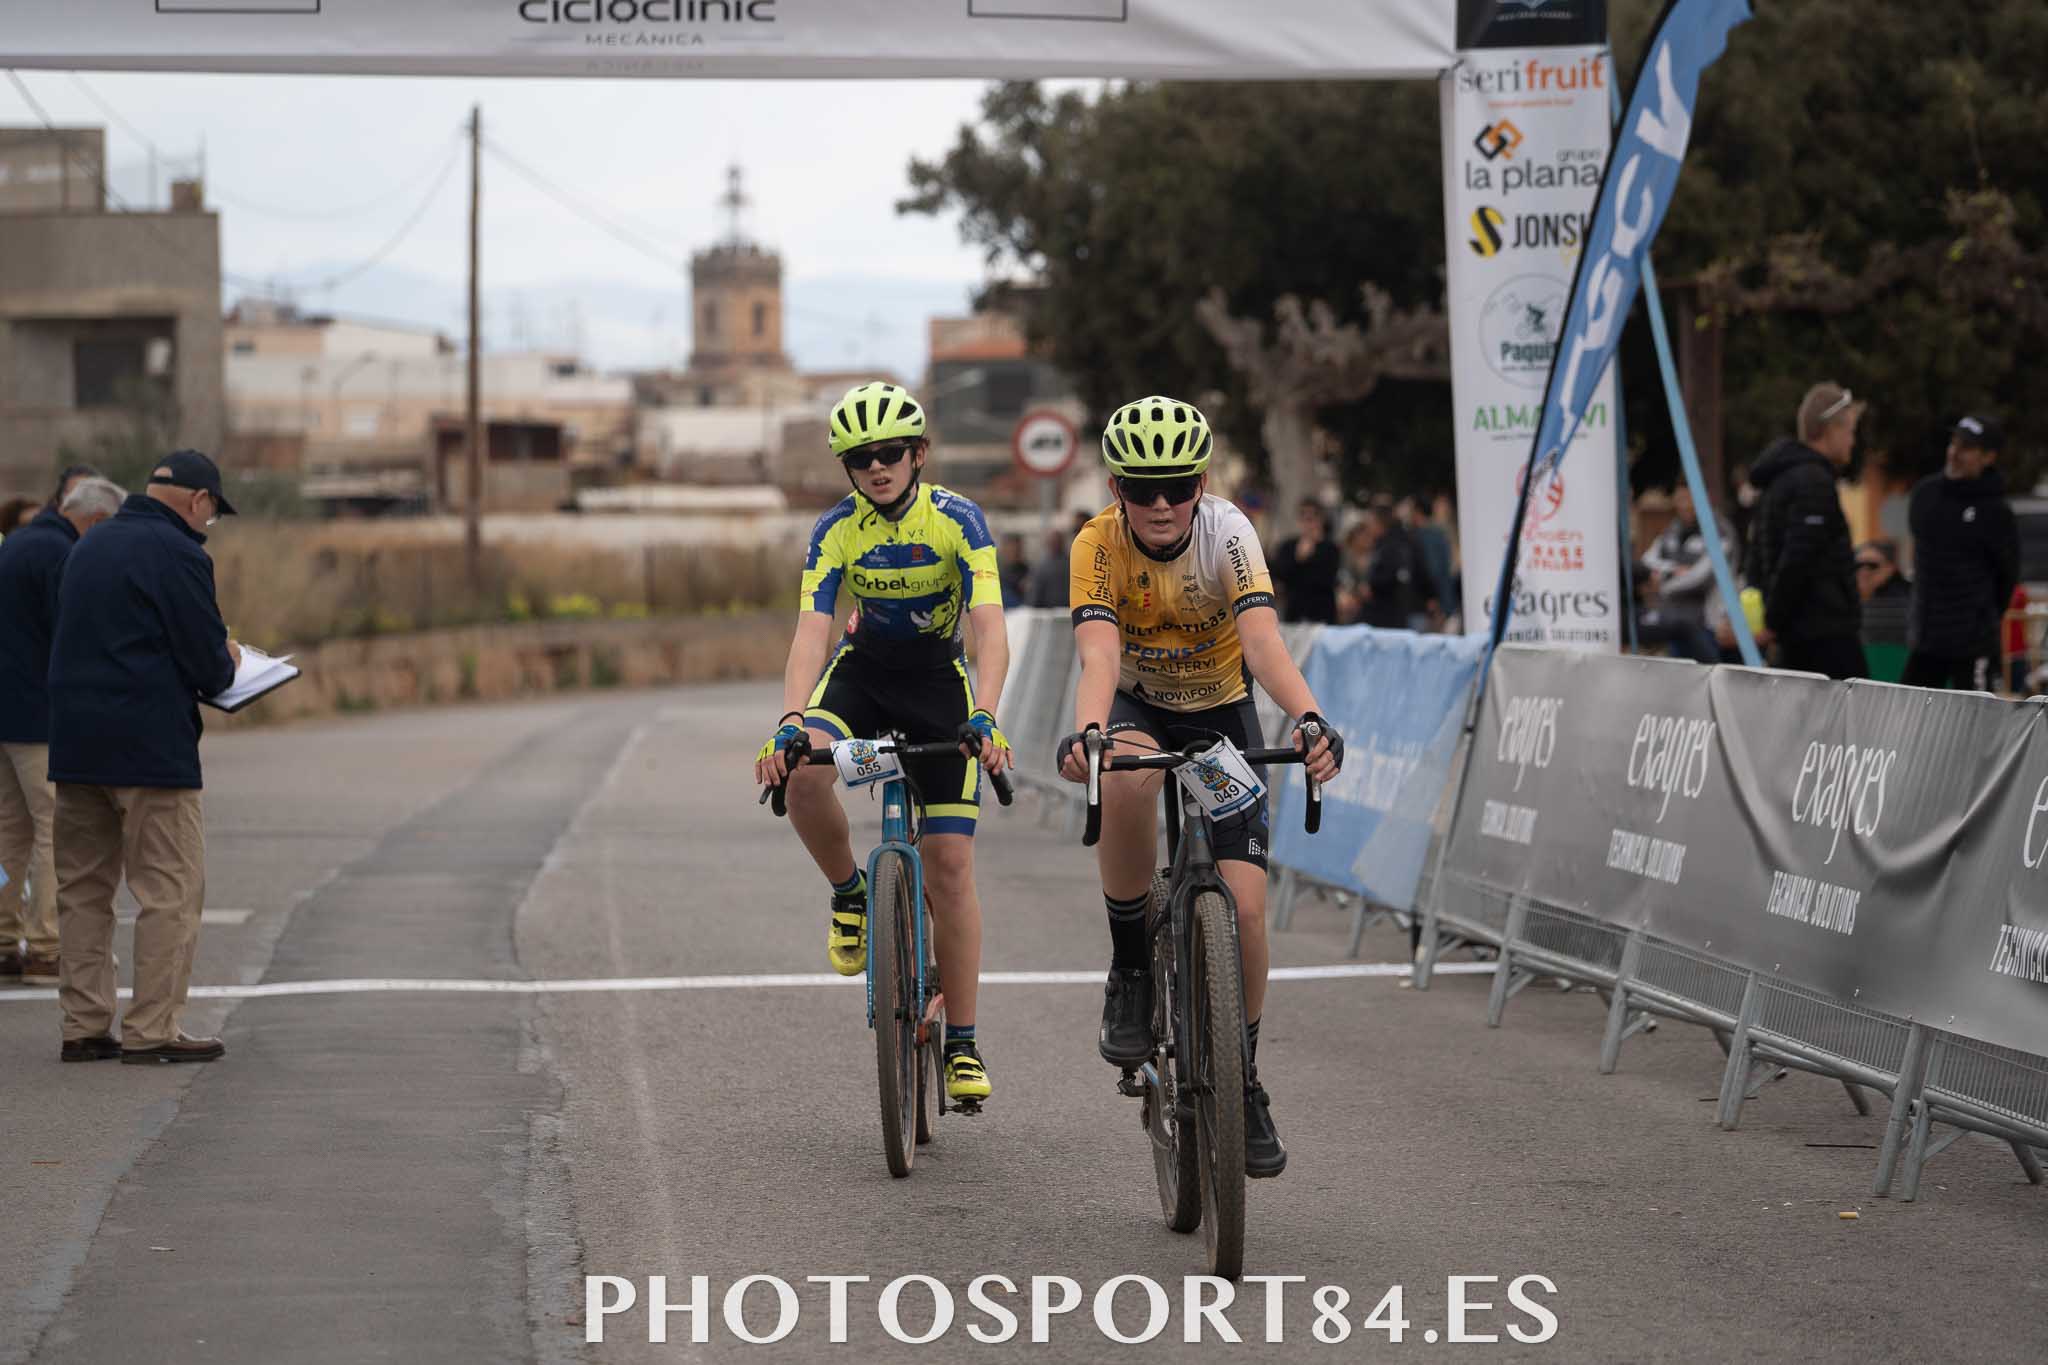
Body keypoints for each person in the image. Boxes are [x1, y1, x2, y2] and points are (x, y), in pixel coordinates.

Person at [1055, 395, 1342, 1179]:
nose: (1160, 504)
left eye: (1177, 486)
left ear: (1202, 484)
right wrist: (1089, 732)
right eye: (1141, 488)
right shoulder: (1096, 543)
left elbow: (1263, 642)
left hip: (1219, 711)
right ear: (1115, 488)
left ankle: (1243, 1077)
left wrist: (1310, 717)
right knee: (1125, 779)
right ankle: (1131, 967)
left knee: (1245, 911)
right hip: (1138, 702)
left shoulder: (1230, 533)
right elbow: (1099, 655)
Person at [753, 382, 1011, 1107]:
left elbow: (990, 627)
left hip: (937, 686)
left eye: (890, 453)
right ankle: (850, 893)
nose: (876, 467)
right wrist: (790, 719)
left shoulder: (960, 519)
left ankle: (962, 1042)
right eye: (860, 458)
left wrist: (986, 714)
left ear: (918, 454)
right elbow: (812, 631)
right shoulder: (836, 528)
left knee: (950, 864)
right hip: (861, 676)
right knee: (803, 773)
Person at [49, 451, 242, 1064]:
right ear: (198, 500)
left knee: (83, 891)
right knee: (169, 889)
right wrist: (233, 657)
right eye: (213, 511)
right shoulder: (181, 554)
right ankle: (153, 1028)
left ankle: (84, 1026)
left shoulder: (88, 546)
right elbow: (209, 667)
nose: (209, 522)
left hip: (75, 748)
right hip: (150, 752)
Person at [0, 476, 124, 985]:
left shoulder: (17, 544)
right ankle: (48, 945)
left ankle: (4, 938)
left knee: (8, 834)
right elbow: (70, 634)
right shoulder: (61, 555)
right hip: (37, 717)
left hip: (6, 714)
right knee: (55, 831)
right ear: (95, 520)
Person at [1749, 382, 1867, 679]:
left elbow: (1759, 557)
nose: (1852, 442)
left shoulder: (1779, 479)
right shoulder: (1814, 482)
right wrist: (1772, 622)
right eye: (1850, 431)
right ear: (1831, 430)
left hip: (1795, 635)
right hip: (1822, 635)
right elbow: (1798, 559)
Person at [1904, 415, 2019, 692]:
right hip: (1927, 639)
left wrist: (1981, 617)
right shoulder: (1925, 494)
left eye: (1966, 447)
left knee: (1978, 715)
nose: (1955, 453)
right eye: (1954, 443)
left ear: (1988, 457)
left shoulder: (1996, 511)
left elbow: (2007, 576)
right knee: (1907, 710)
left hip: (1973, 644)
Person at [1634, 485, 1722, 665]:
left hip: (1706, 624)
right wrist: (1672, 569)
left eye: (1689, 500)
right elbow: (1647, 561)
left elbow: (1701, 577)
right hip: (1674, 621)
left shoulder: (1719, 531)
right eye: (1680, 499)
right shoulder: (1672, 530)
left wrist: (1663, 585)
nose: (1684, 505)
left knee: (1710, 673)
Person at [1268, 498, 1340, 623]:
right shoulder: (1289, 546)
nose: (1307, 524)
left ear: (1320, 519)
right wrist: (1298, 559)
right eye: (1303, 517)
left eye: (1311, 518)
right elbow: (1279, 575)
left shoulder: (1331, 548)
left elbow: (1326, 579)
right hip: (1294, 613)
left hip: (1322, 614)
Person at [1026, 527, 1069, 608]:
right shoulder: (1040, 566)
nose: (1054, 544)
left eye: (1056, 542)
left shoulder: (1041, 566)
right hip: (1047, 610)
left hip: (1062, 609)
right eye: (1052, 542)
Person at [998, 532, 1030, 607]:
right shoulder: (998, 572)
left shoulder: (1026, 570)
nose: (1014, 551)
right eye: (1010, 548)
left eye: (1017, 549)